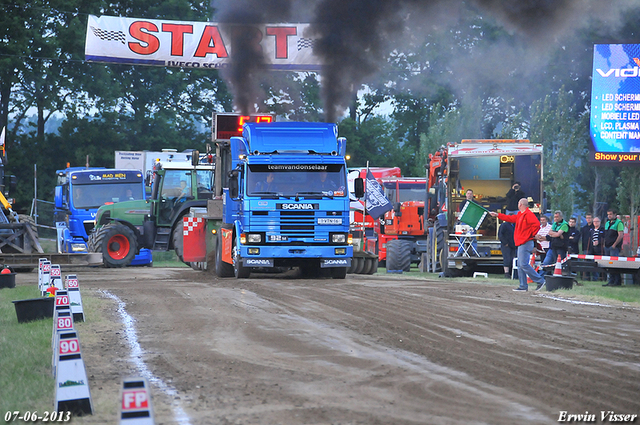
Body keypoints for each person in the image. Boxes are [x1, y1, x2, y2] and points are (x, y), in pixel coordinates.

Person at [490, 198, 545, 291]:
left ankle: (540, 280)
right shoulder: (520, 215)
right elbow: (510, 218)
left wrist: (531, 235)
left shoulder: (528, 214)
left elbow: (536, 225)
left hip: (526, 242)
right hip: (522, 242)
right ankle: (523, 285)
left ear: (520, 204)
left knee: (523, 264)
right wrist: (498, 215)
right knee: (520, 265)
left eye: (518, 203)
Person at [538, 210, 569, 276]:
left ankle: (561, 276)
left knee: (560, 264)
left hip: (561, 247)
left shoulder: (564, 224)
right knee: (546, 263)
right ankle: (540, 277)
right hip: (553, 246)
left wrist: (556, 234)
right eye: (555, 217)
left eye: (557, 217)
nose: (555, 218)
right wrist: (556, 234)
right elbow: (550, 233)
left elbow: (557, 234)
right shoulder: (554, 224)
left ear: (561, 217)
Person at [603, 209, 624, 287]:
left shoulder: (619, 223)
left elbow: (620, 235)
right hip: (607, 246)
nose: (609, 216)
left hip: (613, 247)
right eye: (608, 214)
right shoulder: (607, 223)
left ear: (615, 215)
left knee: (615, 264)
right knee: (609, 265)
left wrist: (614, 245)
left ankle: (617, 281)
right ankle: (611, 280)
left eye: (611, 214)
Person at [587, 217, 604, 281]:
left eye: (597, 221)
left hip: (599, 249)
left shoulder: (602, 230)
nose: (595, 223)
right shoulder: (591, 230)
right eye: (594, 221)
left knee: (598, 263)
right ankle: (591, 277)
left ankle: (598, 278)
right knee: (591, 263)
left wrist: (599, 242)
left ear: (599, 222)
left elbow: (604, 238)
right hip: (592, 248)